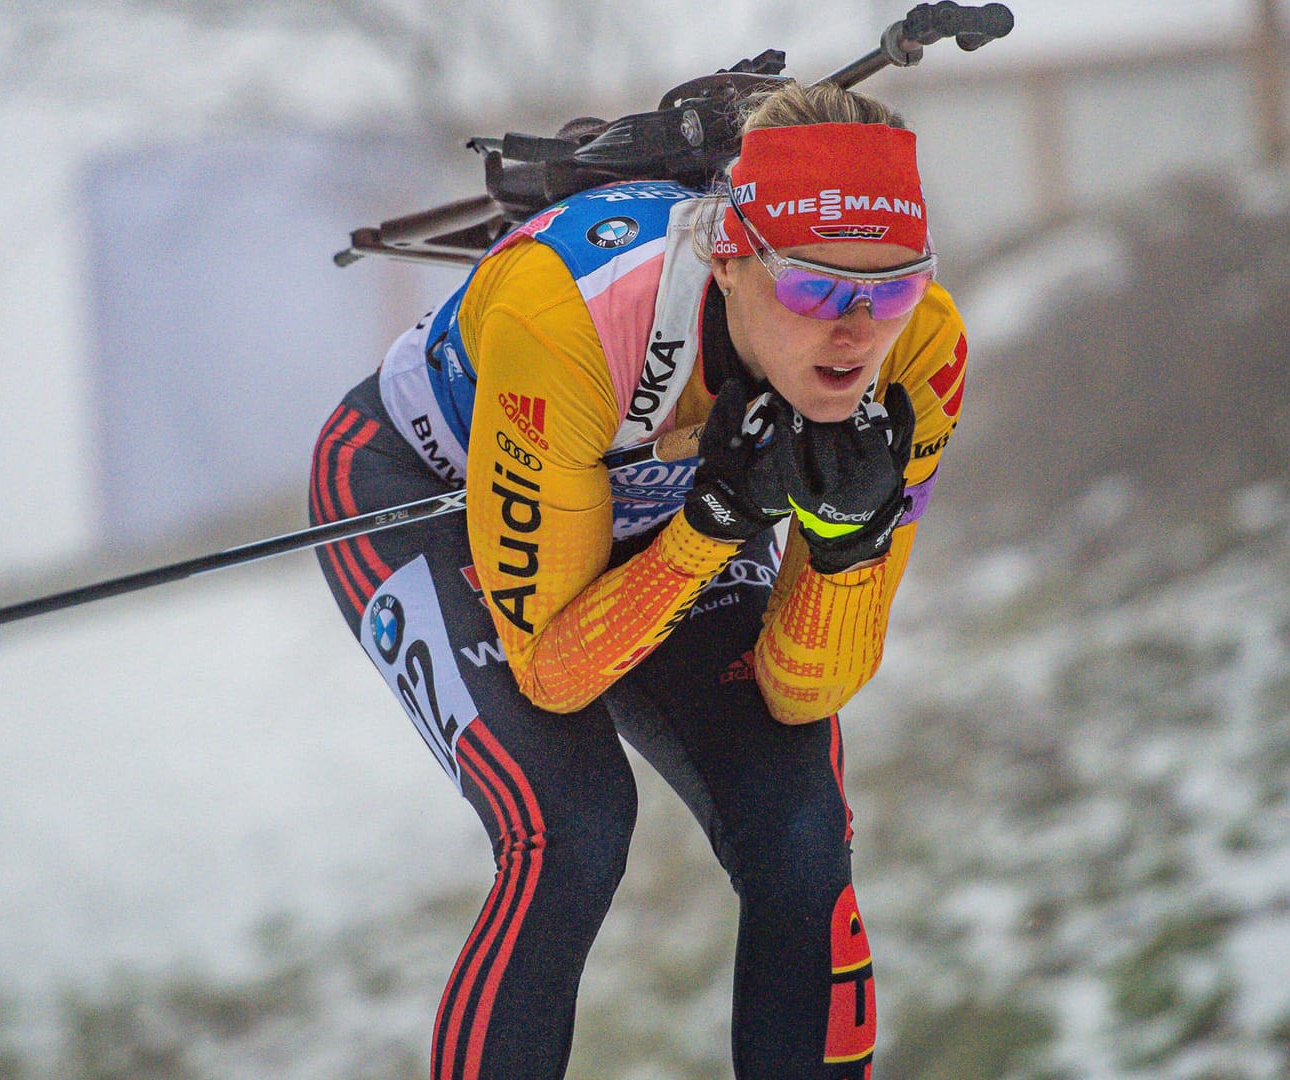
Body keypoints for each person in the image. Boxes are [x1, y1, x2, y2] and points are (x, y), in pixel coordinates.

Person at [308, 80, 967, 1080]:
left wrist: (842, 545)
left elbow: (807, 688)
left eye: (890, 289)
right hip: (428, 482)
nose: (855, 335)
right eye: (815, 290)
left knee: (798, 824)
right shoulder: (571, 311)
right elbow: (558, 674)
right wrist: (710, 530)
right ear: (734, 258)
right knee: (568, 825)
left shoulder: (924, 355)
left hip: (658, 503)